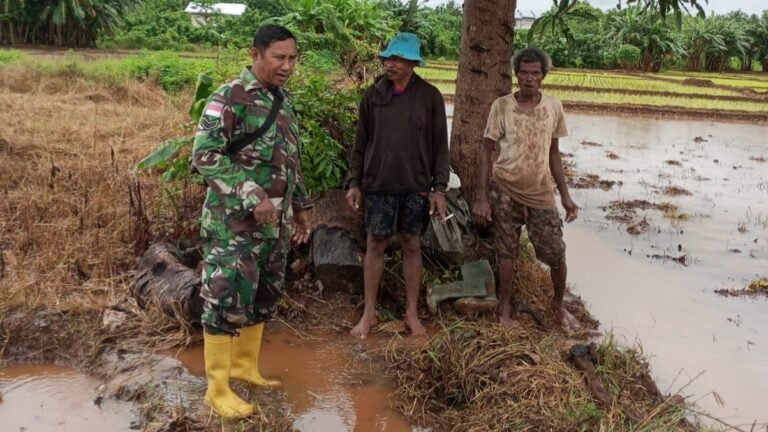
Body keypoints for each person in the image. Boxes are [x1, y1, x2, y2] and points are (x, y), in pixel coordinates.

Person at [191, 24, 312, 418]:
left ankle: (245, 369)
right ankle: (218, 388)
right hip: (234, 225)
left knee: (262, 297)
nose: (287, 65)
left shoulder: (284, 100)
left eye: (293, 58)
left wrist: (303, 206)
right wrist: (251, 194)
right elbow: (206, 154)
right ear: (256, 54)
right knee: (225, 299)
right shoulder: (230, 97)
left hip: (273, 227)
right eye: (279, 57)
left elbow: (291, 161)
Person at [345, 32, 449, 339]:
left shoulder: (430, 97)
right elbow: (360, 144)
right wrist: (354, 182)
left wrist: (438, 188)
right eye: (388, 58)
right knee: (375, 244)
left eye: (398, 59)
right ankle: (369, 313)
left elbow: (440, 148)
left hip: (415, 187)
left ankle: (411, 313)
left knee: (411, 244)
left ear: (413, 64)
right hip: (377, 185)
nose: (390, 64)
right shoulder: (373, 96)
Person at [472, 47, 580, 332]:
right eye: (524, 72)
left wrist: (566, 197)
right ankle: (504, 306)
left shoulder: (553, 107)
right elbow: (486, 151)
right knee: (506, 252)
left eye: (535, 73)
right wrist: (481, 196)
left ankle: (558, 304)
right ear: (516, 74)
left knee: (555, 252)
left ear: (543, 76)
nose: (529, 78)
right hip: (504, 189)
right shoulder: (502, 106)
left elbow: (554, 153)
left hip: (540, 193)